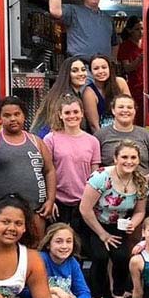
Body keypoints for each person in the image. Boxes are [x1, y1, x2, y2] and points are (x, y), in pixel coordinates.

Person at [79, 141, 148, 298]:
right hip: (93, 222)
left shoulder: (140, 182)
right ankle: (97, 297)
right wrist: (102, 234)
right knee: (100, 257)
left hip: (118, 224)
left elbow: (140, 211)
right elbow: (85, 209)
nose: (129, 161)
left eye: (133, 157)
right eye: (124, 157)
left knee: (122, 257)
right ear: (115, 159)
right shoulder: (101, 177)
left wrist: (134, 223)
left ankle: (118, 295)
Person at [0, 97, 56, 240]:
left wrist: (50, 200)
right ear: (0, 118)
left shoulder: (37, 142)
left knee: (35, 246)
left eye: (17, 114)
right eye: (7, 115)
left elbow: (49, 171)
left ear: (24, 116)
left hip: (36, 209)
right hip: (2, 212)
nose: (13, 119)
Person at [43, 94, 101, 235]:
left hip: (84, 201)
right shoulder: (51, 139)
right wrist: (50, 200)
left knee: (82, 243)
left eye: (75, 112)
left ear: (82, 113)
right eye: (67, 113)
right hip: (58, 201)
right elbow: (45, 171)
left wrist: (93, 203)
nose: (72, 116)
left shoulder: (92, 141)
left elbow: (95, 176)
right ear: (60, 115)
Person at [49, 0, 117, 60]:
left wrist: (113, 61)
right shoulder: (73, 11)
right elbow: (54, 10)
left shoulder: (108, 19)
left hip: (102, 66)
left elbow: (115, 44)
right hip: (80, 65)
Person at [95, 94, 149, 175]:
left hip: (143, 181)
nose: (125, 110)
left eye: (129, 107)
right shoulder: (100, 135)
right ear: (113, 110)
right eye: (121, 107)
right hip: (110, 181)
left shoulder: (147, 136)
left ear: (134, 111)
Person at [31, 56, 89, 138]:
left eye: (83, 70)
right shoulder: (66, 98)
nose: (81, 74)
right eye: (74, 71)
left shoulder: (62, 92)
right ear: (66, 74)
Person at [82, 54, 131, 132]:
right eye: (96, 68)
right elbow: (94, 125)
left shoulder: (120, 82)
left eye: (104, 67)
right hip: (103, 135)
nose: (100, 71)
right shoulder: (89, 92)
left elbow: (130, 110)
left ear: (109, 68)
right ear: (91, 72)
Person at [116, 16, 145, 122]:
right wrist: (140, 59)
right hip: (133, 86)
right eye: (137, 29)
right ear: (130, 30)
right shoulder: (125, 46)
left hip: (146, 86)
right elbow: (127, 67)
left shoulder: (146, 44)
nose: (140, 32)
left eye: (142, 29)